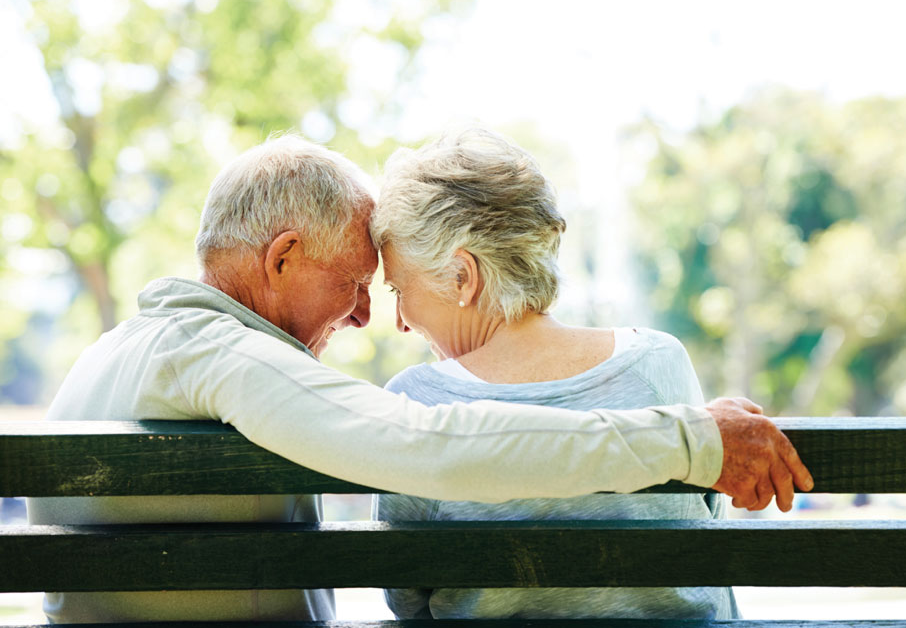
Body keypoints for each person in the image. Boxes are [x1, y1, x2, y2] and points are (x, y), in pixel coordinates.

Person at [28, 134, 811, 623]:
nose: (370, 317)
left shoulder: (114, 353)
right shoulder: (220, 356)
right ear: (282, 259)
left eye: (386, 288)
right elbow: (420, 443)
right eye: (356, 283)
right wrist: (688, 438)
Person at [371, 128, 735, 619]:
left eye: (398, 290)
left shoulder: (415, 402)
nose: (399, 320)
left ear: (463, 276)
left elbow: (407, 600)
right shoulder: (658, 362)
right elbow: (709, 545)